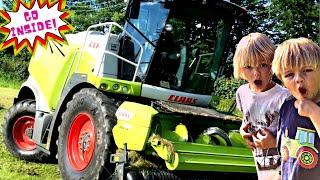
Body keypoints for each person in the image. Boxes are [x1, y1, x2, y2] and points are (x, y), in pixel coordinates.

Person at [233, 32, 290, 180]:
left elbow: (298, 137)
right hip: (262, 166)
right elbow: (246, 120)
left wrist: (275, 142)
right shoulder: (242, 93)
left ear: (272, 65)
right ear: (240, 68)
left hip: (284, 169)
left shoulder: (284, 97)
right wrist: (242, 131)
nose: (256, 73)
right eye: (248, 67)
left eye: (263, 65)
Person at [272, 37, 320, 180]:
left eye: (307, 70)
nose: (298, 78)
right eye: (289, 75)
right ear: (282, 80)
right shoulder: (286, 107)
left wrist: (314, 112)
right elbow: (284, 151)